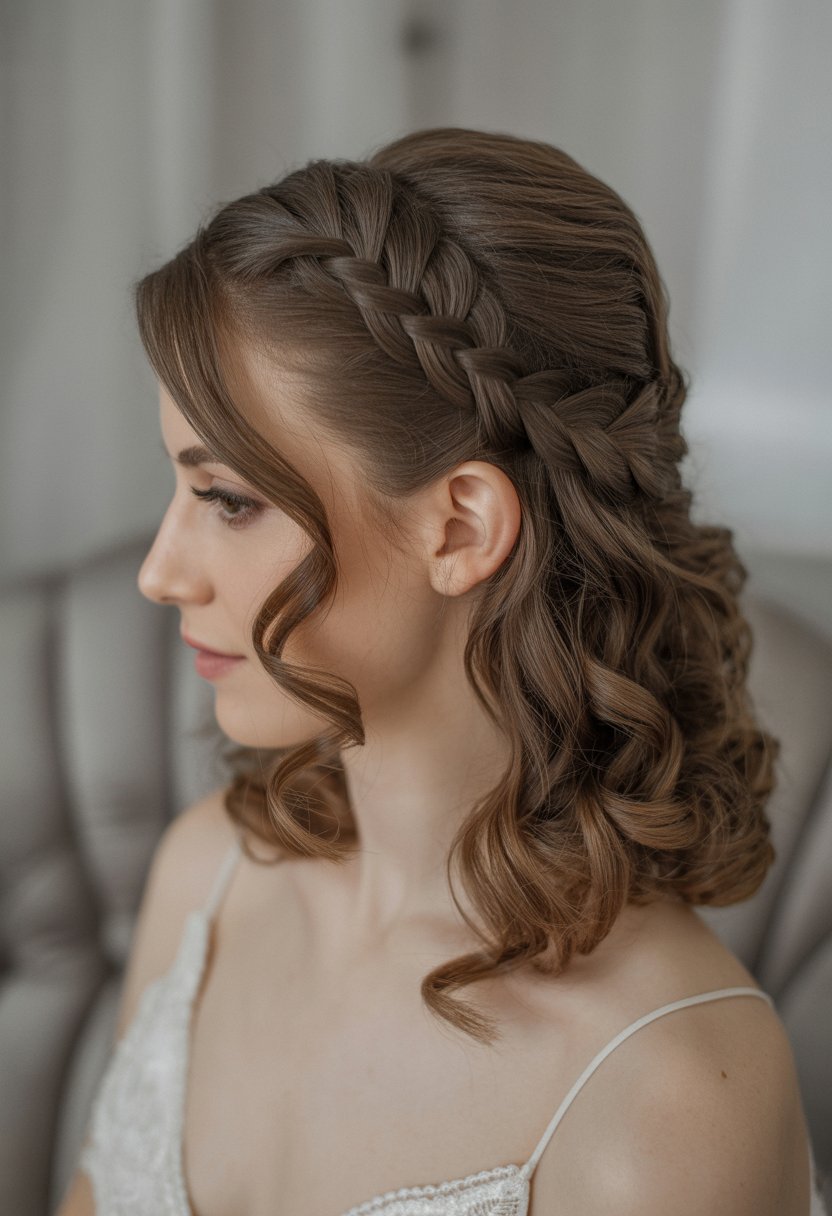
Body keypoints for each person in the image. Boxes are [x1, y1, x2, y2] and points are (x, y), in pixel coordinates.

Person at [58, 127, 827, 1215]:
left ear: (461, 525)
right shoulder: (207, 877)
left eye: (228, 499)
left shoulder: (667, 1098)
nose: (159, 571)